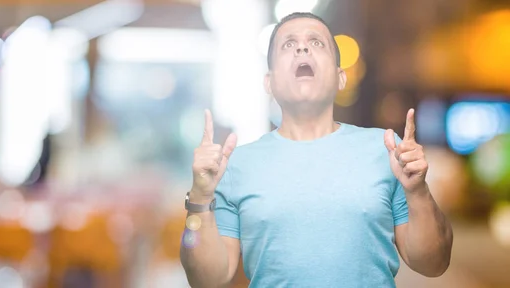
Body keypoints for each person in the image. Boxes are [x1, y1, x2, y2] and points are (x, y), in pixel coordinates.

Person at [180, 12, 453, 287]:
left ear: (340, 78)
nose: (302, 47)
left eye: (316, 42)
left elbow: (434, 263)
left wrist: (418, 192)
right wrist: (199, 202)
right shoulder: (235, 163)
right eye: (288, 44)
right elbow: (204, 280)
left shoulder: (388, 149)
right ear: (269, 82)